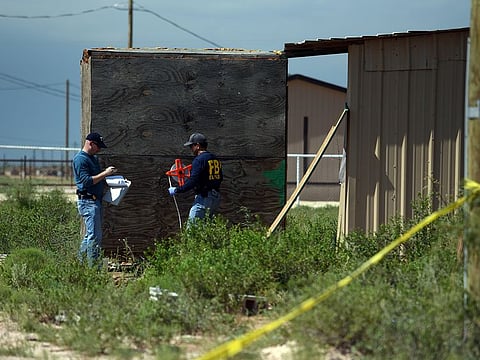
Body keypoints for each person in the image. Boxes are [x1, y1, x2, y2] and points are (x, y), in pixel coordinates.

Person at [72, 132, 117, 266]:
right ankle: (93, 269)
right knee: (94, 237)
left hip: (94, 201)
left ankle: (81, 265)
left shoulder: (92, 158)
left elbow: (96, 179)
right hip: (88, 202)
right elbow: (86, 181)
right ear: (91, 144)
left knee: (89, 236)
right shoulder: (81, 159)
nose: (99, 150)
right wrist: (105, 173)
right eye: (98, 146)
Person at [168, 132, 223, 223]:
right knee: (208, 228)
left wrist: (177, 189)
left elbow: (193, 180)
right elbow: (220, 177)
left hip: (204, 197)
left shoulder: (199, 160)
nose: (191, 149)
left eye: (191, 146)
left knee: (193, 229)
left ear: (197, 146)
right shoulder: (214, 159)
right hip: (215, 198)